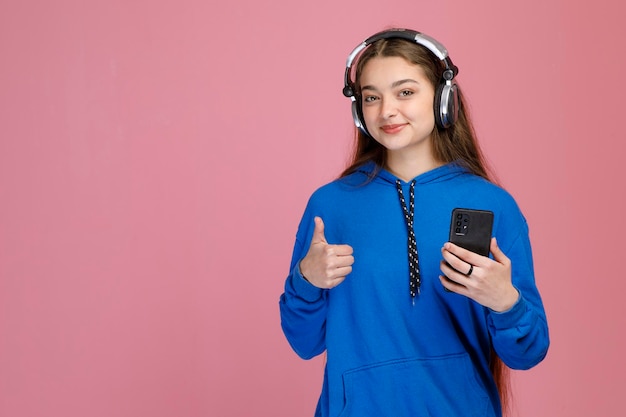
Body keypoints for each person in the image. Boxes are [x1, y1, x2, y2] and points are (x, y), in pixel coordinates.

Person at [279, 28, 549, 417]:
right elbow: (304, 343)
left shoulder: (492, 204)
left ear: (443, 99)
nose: (386, 110)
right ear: (359, 110)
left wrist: (505, 301)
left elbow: (528, 354)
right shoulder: (330, 205)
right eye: (371, 97)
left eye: (405, 92)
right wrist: (306, 280)